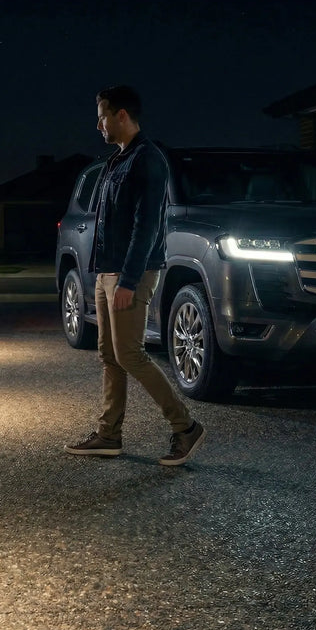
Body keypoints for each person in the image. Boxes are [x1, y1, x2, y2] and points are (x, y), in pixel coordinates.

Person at [65, 85, 206, 466]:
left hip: (133, 274)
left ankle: (185, 427)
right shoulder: (117, 160)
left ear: (122, 115)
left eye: (102, 115)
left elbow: (146, 227)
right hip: (107, 272)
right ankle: (109, 436)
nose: (98, 124)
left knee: (130, 354)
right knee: (110, 355)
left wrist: (127, 280)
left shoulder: (149, 159)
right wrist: (102, 274)